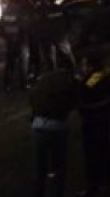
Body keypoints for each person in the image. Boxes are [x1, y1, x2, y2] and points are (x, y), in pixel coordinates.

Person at [29, 67, 78, 197]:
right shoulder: (65, 88)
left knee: (40, 166)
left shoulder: (38, 88)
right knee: (58, 165)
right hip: (58, 128)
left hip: (39, 127)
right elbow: (73, 103)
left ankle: (39, 192)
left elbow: (33, 105)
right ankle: (57, 193)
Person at [77, 51, 110, 196]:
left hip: (94, 120)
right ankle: (104, 182)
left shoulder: (94, 79)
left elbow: (84, 91)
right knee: (104, 151)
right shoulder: (108, 75)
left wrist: (80, 81)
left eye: (84, 64)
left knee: (93, 154)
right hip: (103, 118)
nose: (82, 67)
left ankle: (95, 184)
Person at [38, 0, 77, 73]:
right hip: (60, 37)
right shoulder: (60, 8)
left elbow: (39, 25)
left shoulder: (42, 10)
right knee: (67, 58)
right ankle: (72, 74)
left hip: (50, 39)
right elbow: (68, 22)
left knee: (51, 62)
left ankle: (55, 78)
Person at [0, 0, 30, 92]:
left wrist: (6, 37)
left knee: (10, 64)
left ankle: (7, 85)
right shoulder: (20, 10)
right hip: (20, 40)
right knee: (23, 64)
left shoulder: (6, 10)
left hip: (10, 40)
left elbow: (1, 27)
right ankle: (23, 84)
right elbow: (24, 26)